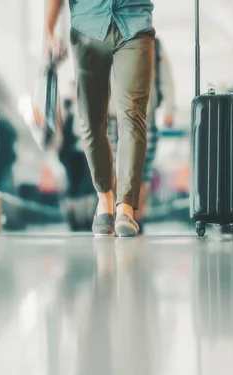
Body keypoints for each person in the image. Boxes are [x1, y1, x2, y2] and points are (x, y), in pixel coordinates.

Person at [44, 0, 155, 237]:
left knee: (133, 118)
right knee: (90, 122)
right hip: (88, 27)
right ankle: (105, 200)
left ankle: (125, 209)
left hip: (134, 24)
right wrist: (48, 31)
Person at [108, 36, 175, 233]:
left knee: (143, 170)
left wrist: (169, 108)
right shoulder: (110, 39)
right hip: (114, 115)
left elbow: (166, 76)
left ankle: (138, 217)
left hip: (146, 115)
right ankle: (118, 213)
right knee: (114, 167)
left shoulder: (154, 43)